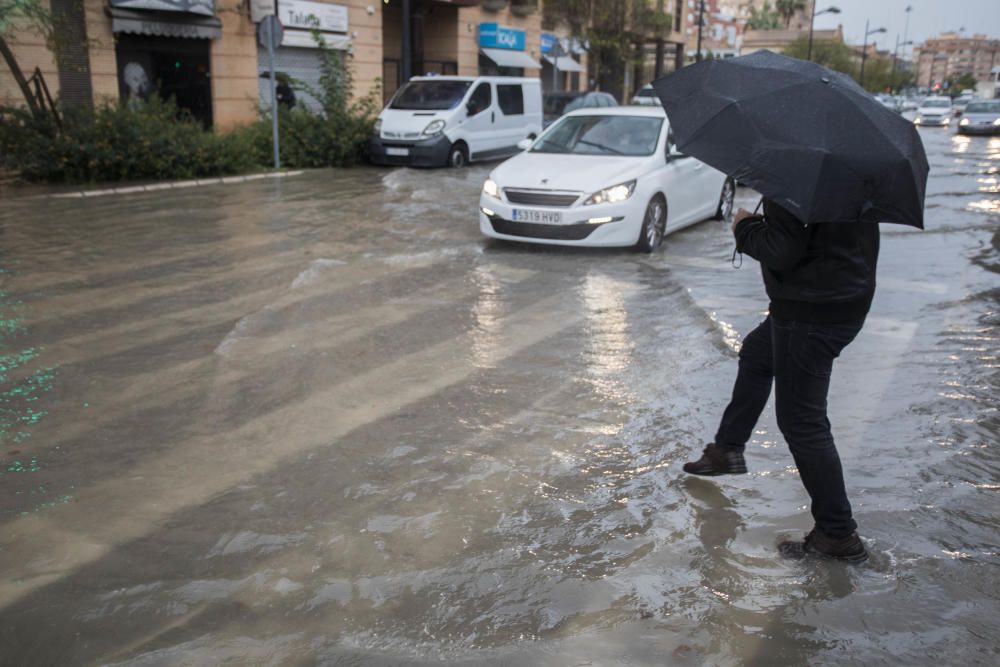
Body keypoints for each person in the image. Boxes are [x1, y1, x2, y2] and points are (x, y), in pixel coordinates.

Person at [683, 198, 879, 563]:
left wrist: (744, 226)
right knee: (758, 354)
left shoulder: (792, 180)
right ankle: (728, 449)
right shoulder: (846, 175)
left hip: (810, 311)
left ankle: (837, 535)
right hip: (841, 298)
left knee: (802, 422)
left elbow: (781, 250)